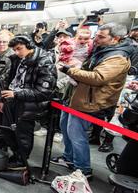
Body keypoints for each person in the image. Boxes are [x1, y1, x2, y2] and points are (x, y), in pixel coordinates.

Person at [55, 23, 133, 177]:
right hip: (77, 96)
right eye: (97, 35)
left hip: (90, 101)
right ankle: (69, 158)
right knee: (66, 128)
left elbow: (98, 78)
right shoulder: (103, 50)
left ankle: (82, 169)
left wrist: (69, 70)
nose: (96, 38)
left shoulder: (117, 57)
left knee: (77, 135)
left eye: (101, 36)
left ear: (115, 38)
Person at [0, 35, 57, 167]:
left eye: (19, 49)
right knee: (7, 131)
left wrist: (17, 94)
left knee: (22, 135)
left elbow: (44, 91)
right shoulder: (16, 59)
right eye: (15, 49)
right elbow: (10, 81)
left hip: (28, 104)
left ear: (29, 46)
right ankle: (16, 155)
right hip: (12, 99)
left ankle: (22, 160)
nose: (17, 52)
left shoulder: (44, 61)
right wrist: (3, 99)